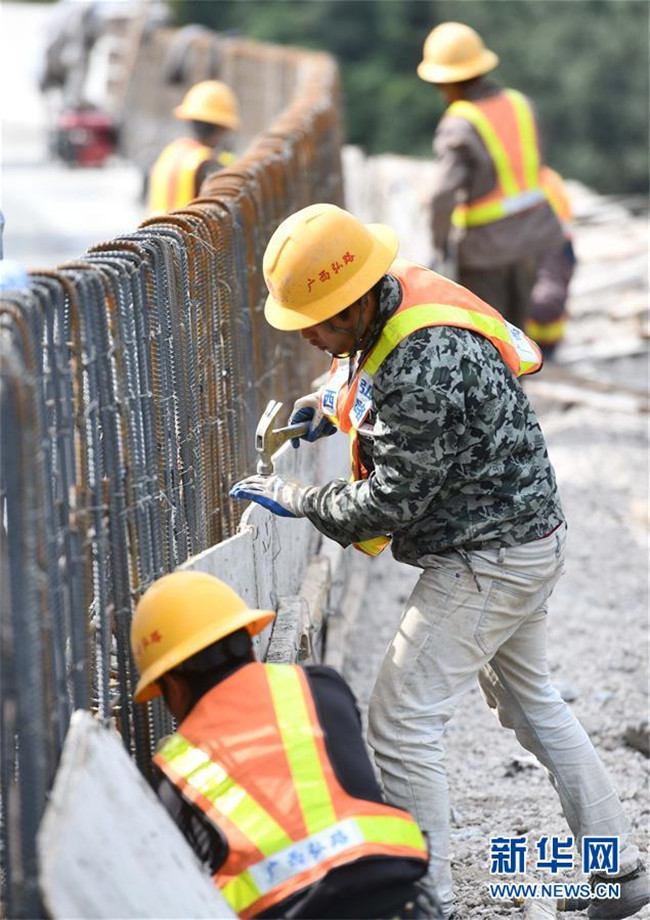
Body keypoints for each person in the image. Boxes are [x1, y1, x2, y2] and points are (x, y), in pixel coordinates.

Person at [230, 203, 649, 920]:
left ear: (356, 301)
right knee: (532, 705)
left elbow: (391, 502)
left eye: (318, 324)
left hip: (490, 557)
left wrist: (297, 497)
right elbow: (368, 374)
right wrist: (328, 404)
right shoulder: (393, 300)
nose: (308, 338)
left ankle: (429, 902)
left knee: (399, 723)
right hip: (525, 535)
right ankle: (622, 872)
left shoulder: (422, 363)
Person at [130, 569, 430, 919]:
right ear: (248, 641)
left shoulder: (177, 775)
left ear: (173, 687)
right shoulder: (322, 688)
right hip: (396, 898)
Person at [418, 22, 563, 331]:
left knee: (490, 338)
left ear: (445, 83)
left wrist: (439, 247)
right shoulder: (520, 104)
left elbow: (442, 195)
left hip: (486, 252)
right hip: (535, 237)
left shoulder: (459, 124)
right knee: (519, 334)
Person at [147, 80, 240, 214]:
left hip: (157, 226)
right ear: (222, 129)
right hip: (190, 226)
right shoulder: (208, 165)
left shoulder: (169, 152)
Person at [526, 166, 577, 358]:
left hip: (549, 244)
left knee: (545, 298)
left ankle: (539, 347)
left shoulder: (535, 180)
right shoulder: (550, 177)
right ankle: (545, 347)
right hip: (559, 243)